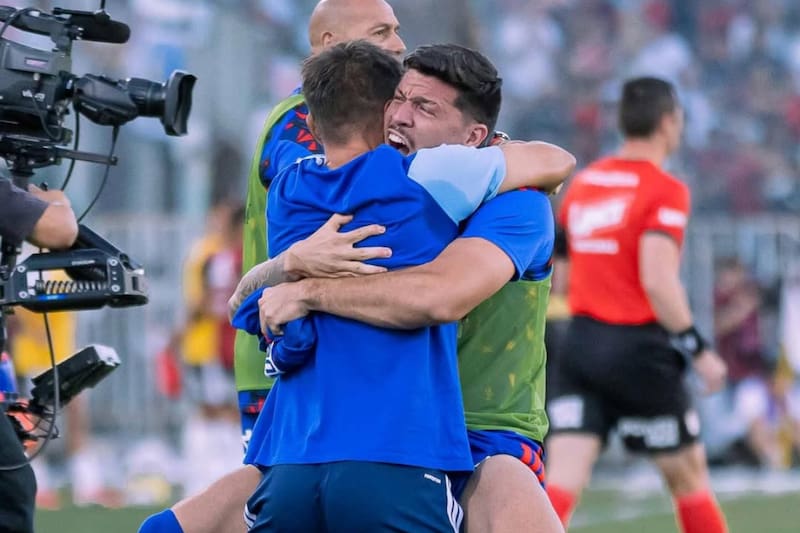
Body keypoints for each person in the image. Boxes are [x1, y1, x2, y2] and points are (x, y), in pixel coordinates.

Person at [140, 43, 568, 533]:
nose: (400, 117)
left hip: (479, 437)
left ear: (473, 136)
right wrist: (285, 265)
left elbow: (439, 295)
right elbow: (244, 297)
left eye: (423, 107)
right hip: (344, 435)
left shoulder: (517, 203)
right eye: (398, 99)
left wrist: (306, 291)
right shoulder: (389, 184)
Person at [544, 77, 729, 533]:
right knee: (689, 480)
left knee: (561, 482)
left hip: (580, 345)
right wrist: (699, 349)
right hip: (638, 351)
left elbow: (561, 277)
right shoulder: (666, 189)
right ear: (669, 123)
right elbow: (658, 281)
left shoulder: (584, 184)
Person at [234, 0, 406, 452]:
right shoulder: (300, 120)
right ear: (331, 44)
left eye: (396, 30)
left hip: (318, 355)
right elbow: (331, 192)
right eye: (381, 32)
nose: (399, 44)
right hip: (282, 357)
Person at [0, 177, 78, 533]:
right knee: (13, 490)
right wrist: (56, 199)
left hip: (28, 356)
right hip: (31, 357)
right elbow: (60, 230)